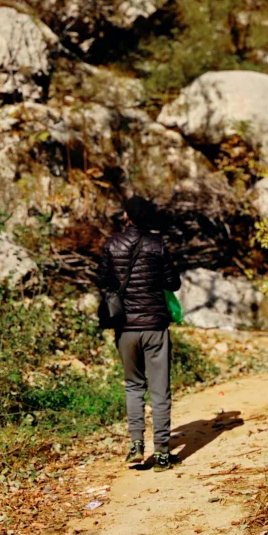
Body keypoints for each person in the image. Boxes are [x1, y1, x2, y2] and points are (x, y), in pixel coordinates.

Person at [98, 196, 181, 469]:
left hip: (126, 328)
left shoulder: (111, 244)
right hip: (155, 327)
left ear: (127, 216)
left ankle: (136, 445)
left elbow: (103, 281)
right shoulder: (157, 244)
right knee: (160, 391)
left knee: (134, 386)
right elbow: (173, 282)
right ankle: (161, 454)